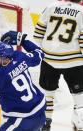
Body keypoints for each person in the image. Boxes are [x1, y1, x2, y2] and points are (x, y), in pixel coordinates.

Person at [33, 0, 83, 130]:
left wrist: (41, 53)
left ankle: (45, 122)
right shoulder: (82, 11)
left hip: (49, 58)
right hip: (74, 61)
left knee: (47, 92)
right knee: (80, 95)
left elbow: (38, 33)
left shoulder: (51, 6)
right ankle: (81, 123)